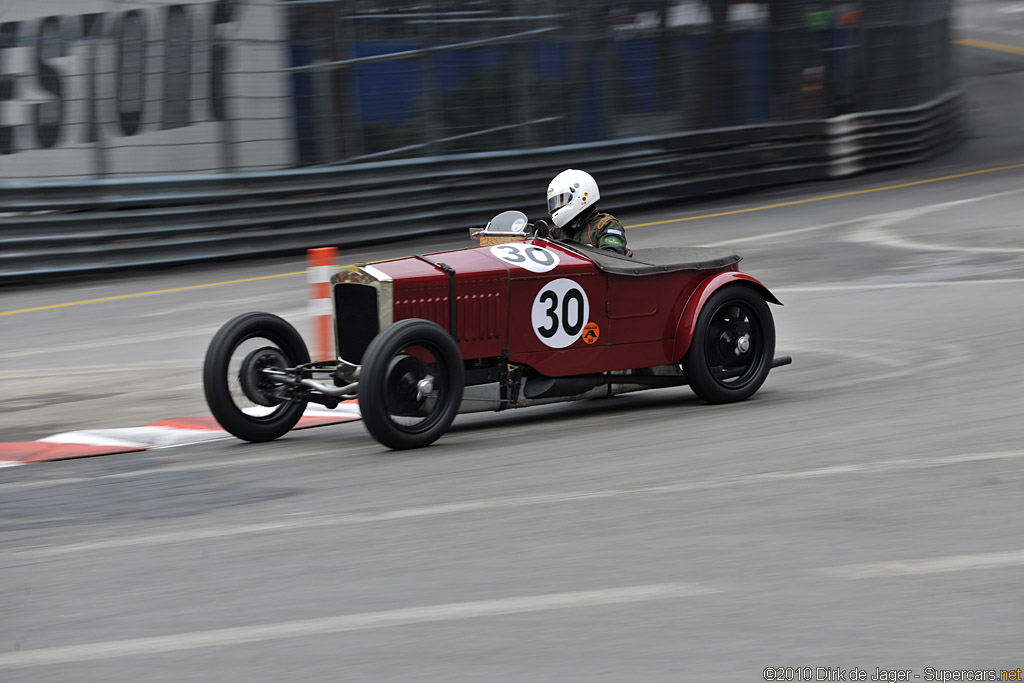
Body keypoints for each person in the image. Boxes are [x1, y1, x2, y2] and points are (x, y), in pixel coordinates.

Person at [541, 169, 629, 255]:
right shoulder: (557, 232)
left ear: (581, 195)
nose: (556, 207)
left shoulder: (607, 226)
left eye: (561, 201)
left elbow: (612, 259)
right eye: (554, 203)